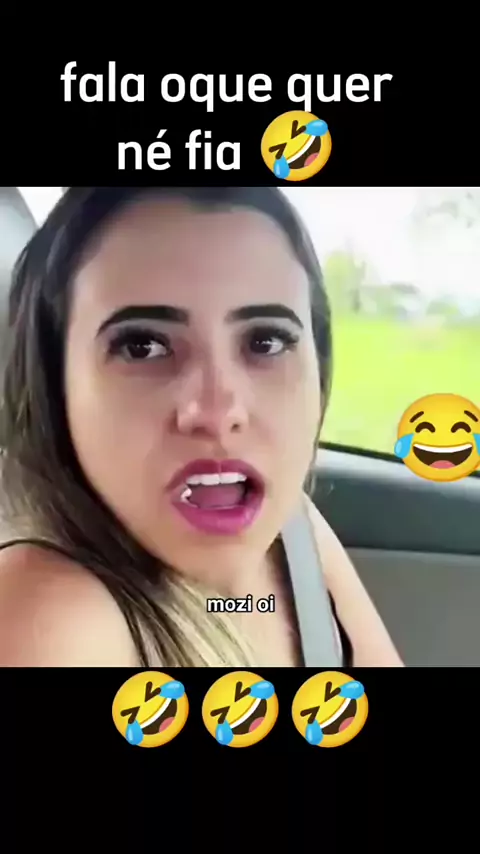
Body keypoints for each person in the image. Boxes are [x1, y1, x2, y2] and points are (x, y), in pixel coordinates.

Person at [0, 187, 403, 667]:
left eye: (266, 341)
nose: (217, 411)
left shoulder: (296, 530)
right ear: (54, 385)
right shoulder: (46, 617)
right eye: (142, 347)